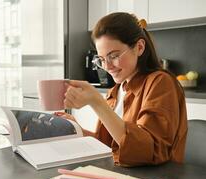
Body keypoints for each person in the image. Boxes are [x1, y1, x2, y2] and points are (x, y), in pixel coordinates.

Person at [56, 12, 187, 167]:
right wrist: (79, 131)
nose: (107, 66)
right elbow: (111, 145)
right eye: (102, 59)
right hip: (120, 177)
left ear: (139, 47)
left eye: (114, 56)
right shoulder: (116, 90)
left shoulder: (160, 82)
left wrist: (96, 102)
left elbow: (149, 152)